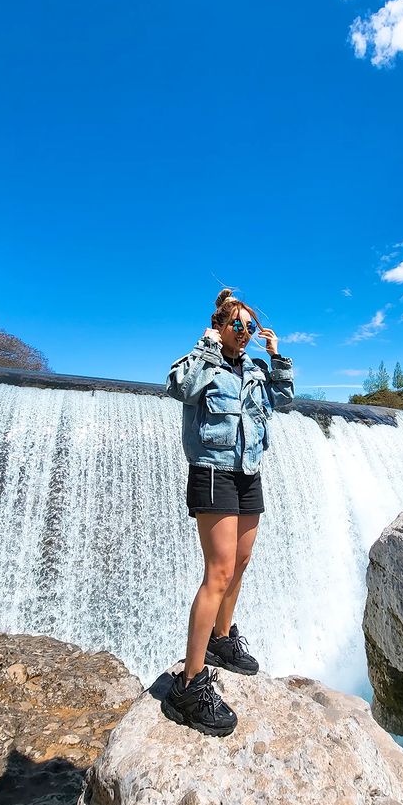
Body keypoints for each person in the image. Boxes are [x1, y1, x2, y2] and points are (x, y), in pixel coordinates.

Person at [161, 289, 295, 736]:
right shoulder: (204, 363)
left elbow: (284, 400)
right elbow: (179, 388)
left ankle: (221, 639)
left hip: (248, 474)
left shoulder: (255, 369)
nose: (245, 332)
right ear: (219, 326)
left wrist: (277, 358)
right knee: (217, 573)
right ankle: (189, 685)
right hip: (213, 472)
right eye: (237, 324)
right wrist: (207, 345)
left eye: (250, 326)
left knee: (240, 561)